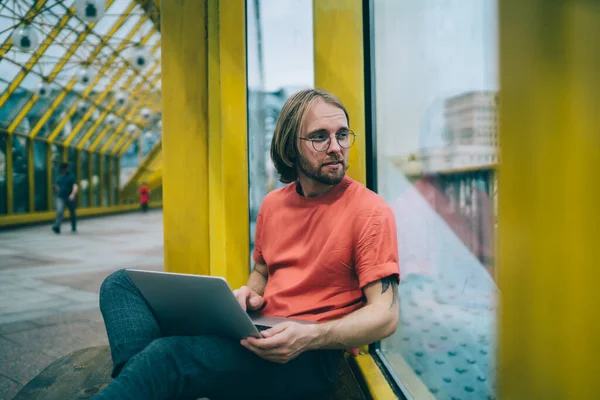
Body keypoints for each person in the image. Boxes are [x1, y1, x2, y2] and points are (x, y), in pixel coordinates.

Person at [95, 89, 400, 400]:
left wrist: (310, 336)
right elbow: (262, 274)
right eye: (320, 137)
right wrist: (249, 294)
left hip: (307, 353)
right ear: (291, 147)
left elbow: (385, 315)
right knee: (120, 285)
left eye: (342, 135)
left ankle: (141, 382)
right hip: (258, 330)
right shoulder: (274, 205)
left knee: (166, 357)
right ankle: (142, 383)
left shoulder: (370, 212)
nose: (336, 148)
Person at [52, 162, 78, 234]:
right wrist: (57, 189)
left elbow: (75, 186)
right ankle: (57, 227)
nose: (63, 170)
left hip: (69, 197)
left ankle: (73, 227)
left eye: (65, 168)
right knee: (60, 211)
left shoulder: (71, 176)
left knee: (72, 213)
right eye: (62, 168)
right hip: (61, 197)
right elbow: (56, 184)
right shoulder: (59, 176)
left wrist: (73, 194)